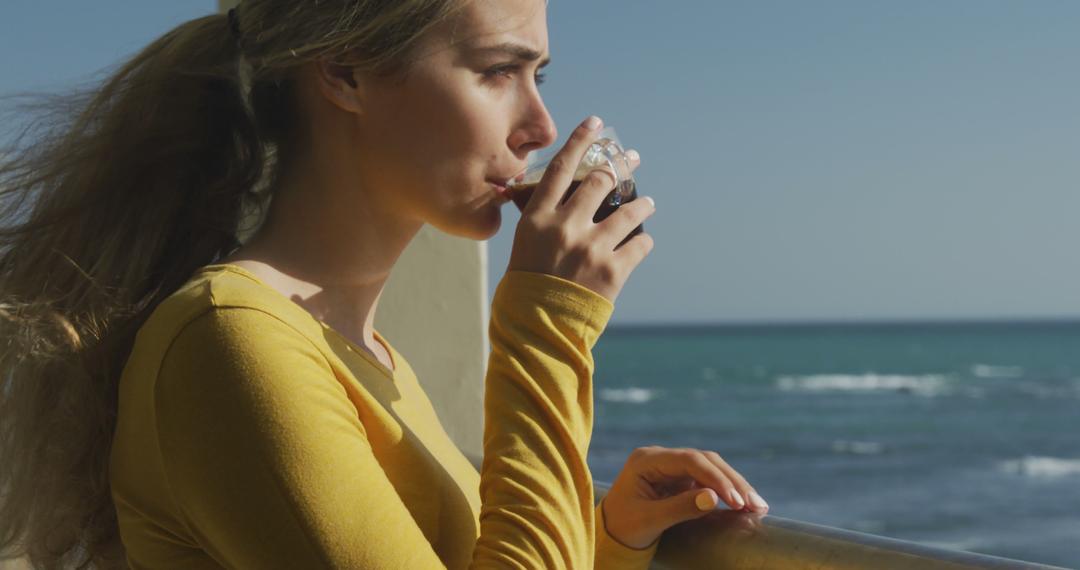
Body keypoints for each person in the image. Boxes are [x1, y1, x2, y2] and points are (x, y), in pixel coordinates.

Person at [0, 1, 768, 568]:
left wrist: (609, 537)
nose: (539, 124)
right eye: (497, 71)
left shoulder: (355, 352)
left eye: (537, 74)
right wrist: (548, 327)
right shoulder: (229, 340)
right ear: (345, 70)